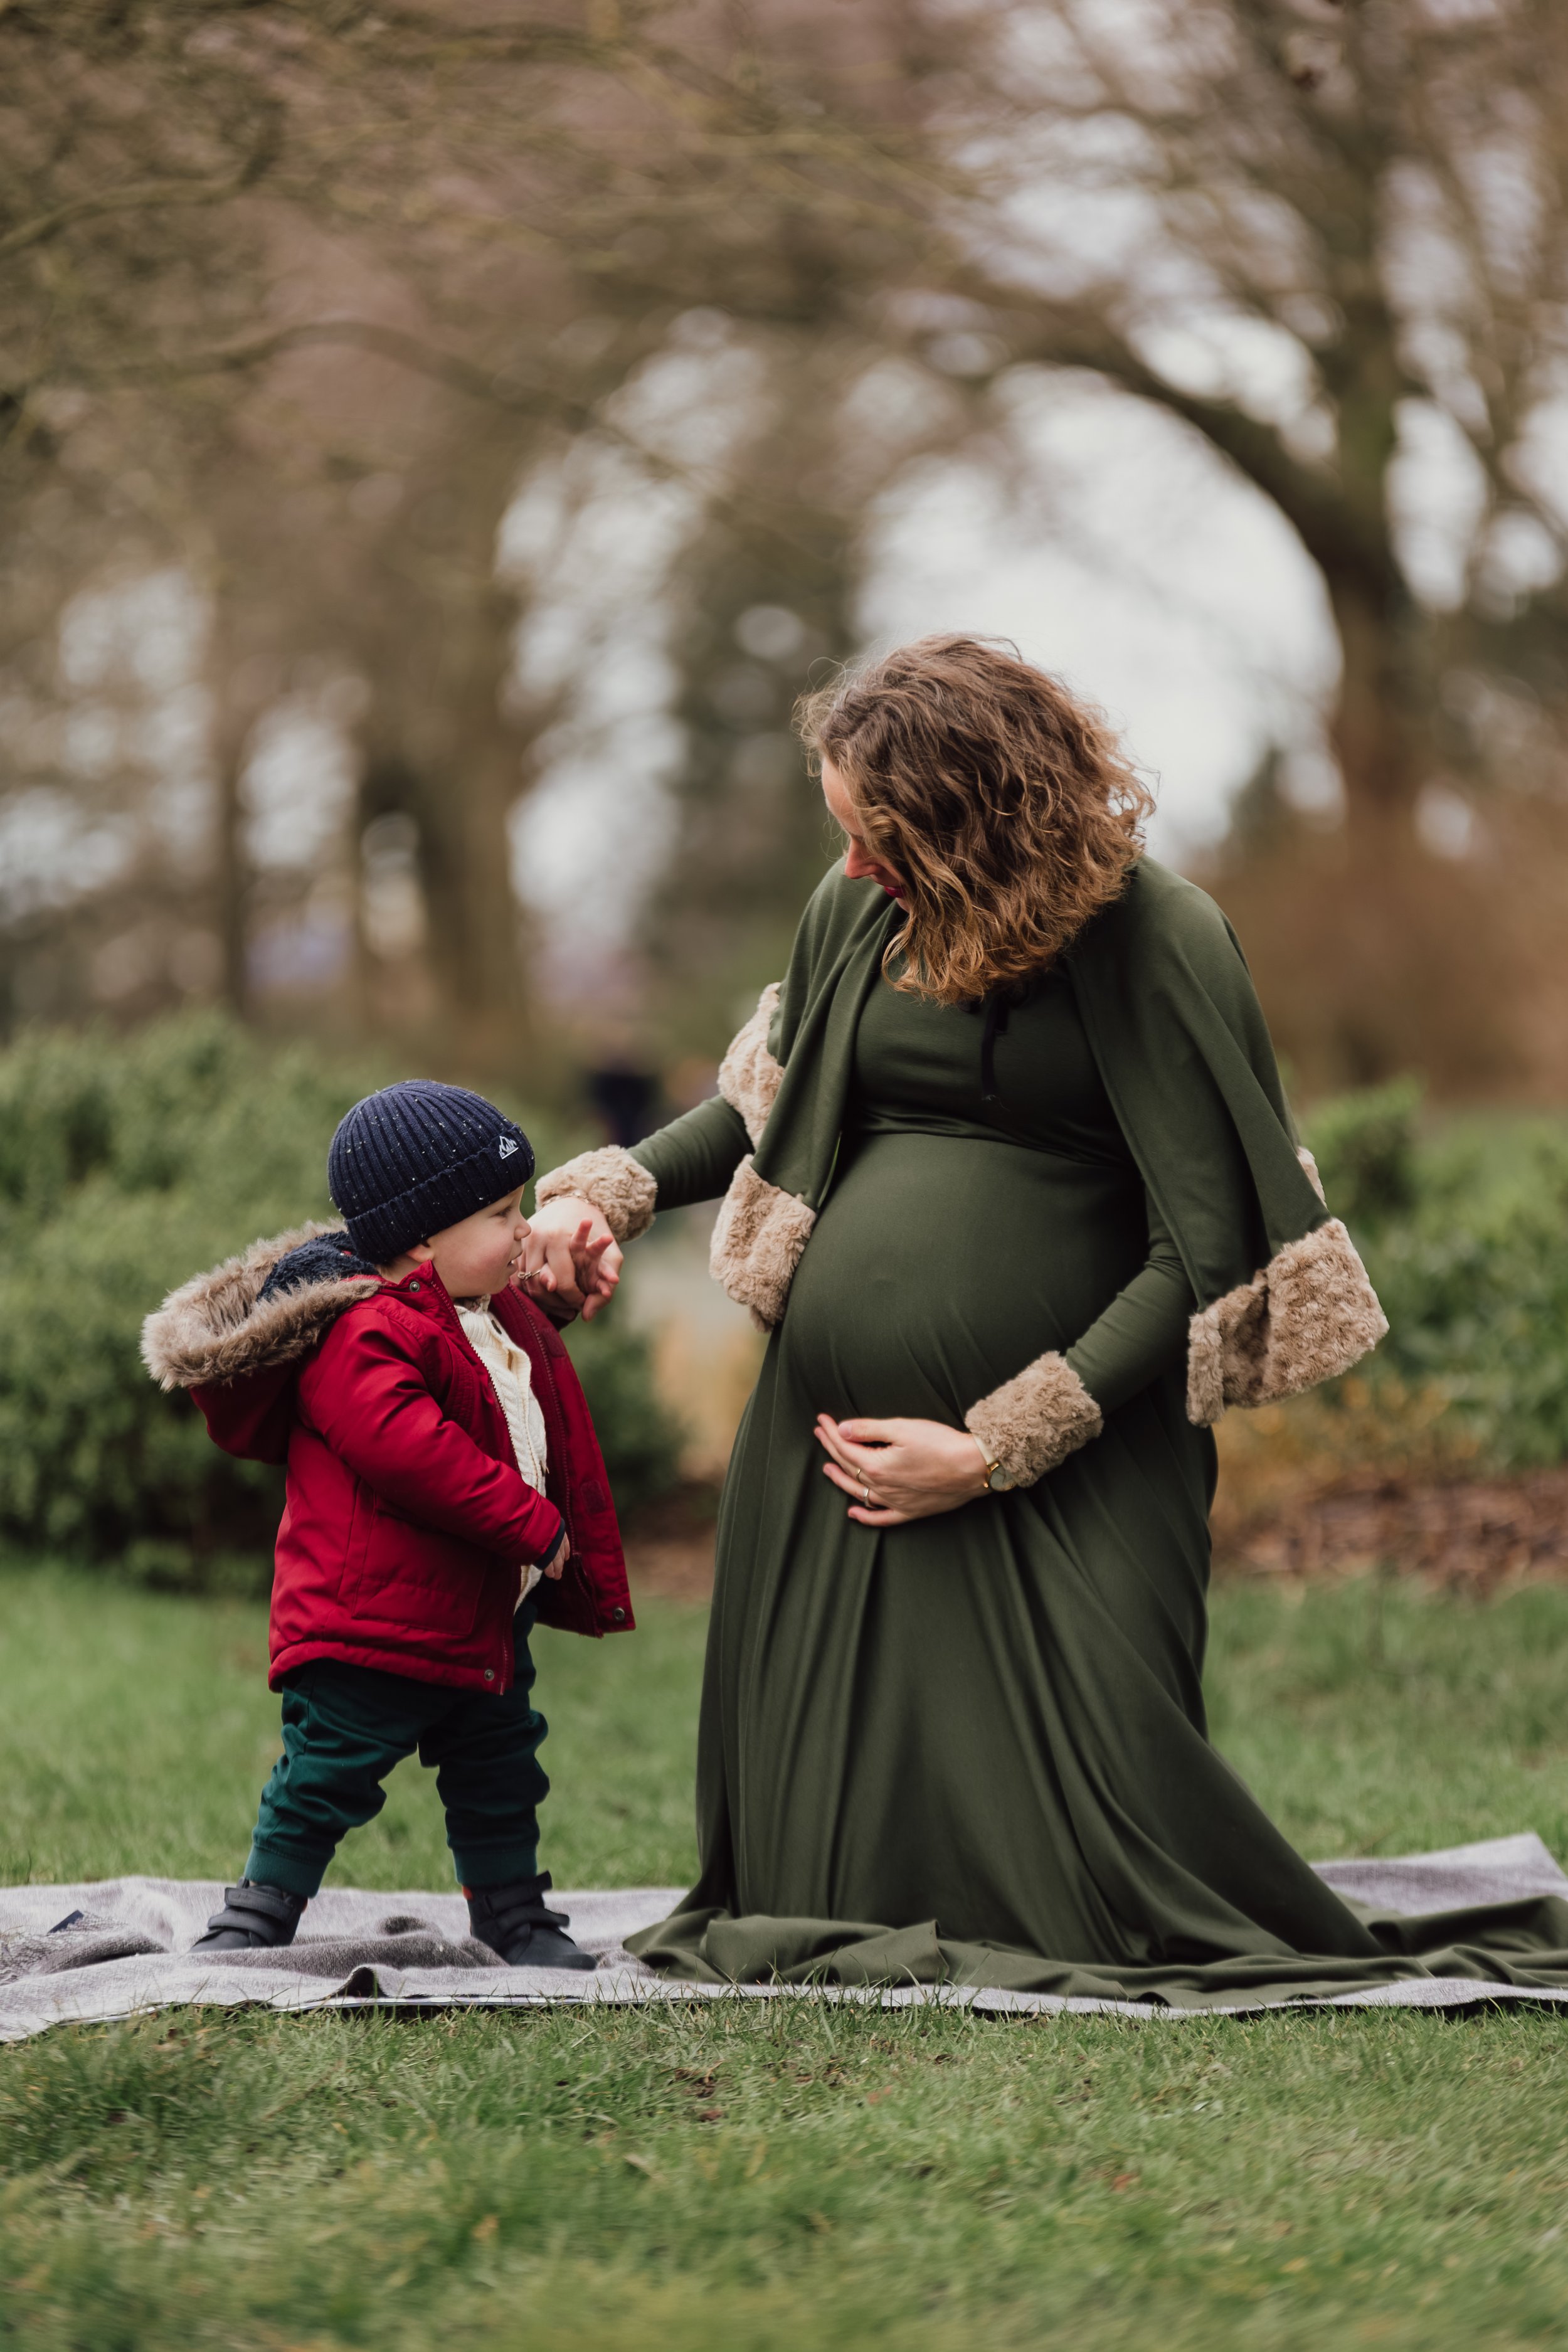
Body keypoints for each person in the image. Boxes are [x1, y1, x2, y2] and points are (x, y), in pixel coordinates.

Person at [522, 635, 1568, 2006]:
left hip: (1081, 1449)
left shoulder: (1158, 939)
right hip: (827, 1447)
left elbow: (1206, 1250)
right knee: (813, 1856)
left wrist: (996, 1442)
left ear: (974, 821)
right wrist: (614, 1189)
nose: (847, 866)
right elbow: (762, 1103)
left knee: (1107, 1868)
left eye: (875, 835)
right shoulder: (860, 918)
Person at [142, 1080, 633, 1971]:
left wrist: (554, 1285)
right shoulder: (361, 1332)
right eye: (500, 1212)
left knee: (500, 1768)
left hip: (481, 1613)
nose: (522, 1228)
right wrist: (534, 1524)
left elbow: (491, 1364)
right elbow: (416, 1452)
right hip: (371, 1621)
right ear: (419, 1240)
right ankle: (257, 1915)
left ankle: (514, 1914)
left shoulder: (477, 1305)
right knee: (324, 1773)